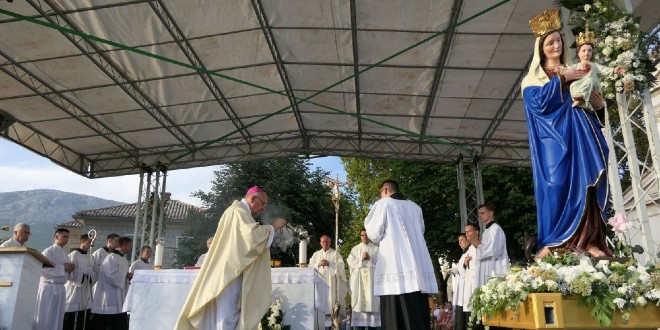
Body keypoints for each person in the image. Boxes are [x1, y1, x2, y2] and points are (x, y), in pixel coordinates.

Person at [522, 9, 611, 259]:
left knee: (589, 182)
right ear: (541, 48)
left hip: (581, 134)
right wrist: (562, 79)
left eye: (558, 40)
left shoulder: (578, 69)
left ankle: (589, 241)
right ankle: (553, 242)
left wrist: (600, 105)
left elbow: (591, 102)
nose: (556, 45)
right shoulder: (533, 78)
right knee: (556, 184)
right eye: (549, 42)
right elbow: (537, 104)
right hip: (552, 139)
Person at [175, 186, 286, 330]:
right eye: (263, 204)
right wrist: (272, 227)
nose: (263, 209)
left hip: (229, 270)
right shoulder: (238, 211)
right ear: (253, 199)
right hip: (230, 273)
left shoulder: (238, 211)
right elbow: (251, 237)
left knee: (226, 313)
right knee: (227, 314)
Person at [364, 179, 438, 330]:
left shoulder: (383, 204)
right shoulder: (416, 207)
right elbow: (421, 230)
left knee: (395, 315)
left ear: (385, 191)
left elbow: (373, 233)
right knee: (417, 313)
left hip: (395, 264)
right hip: (416, 267)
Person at [569, 26, 625, 109]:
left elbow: (604, 70)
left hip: (593, 86)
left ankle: (581, 98)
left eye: (589, 50)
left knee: (590, 80)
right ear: (578, 53)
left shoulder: (594, 65)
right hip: (581, 87)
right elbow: (567, 71)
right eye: (583, 51)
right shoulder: (576, 66)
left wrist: (614, 70)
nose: (586, 53)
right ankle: (579, 99)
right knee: (573, 85)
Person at [35, 228, 76, 330]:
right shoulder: (48, 251)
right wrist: (63, 268)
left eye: (68, 237)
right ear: (57, 237)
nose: (67, 239)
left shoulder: (65, 254)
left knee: (57, 317)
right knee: (46, 315)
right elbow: (42, 269)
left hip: (60, 288)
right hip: (49, 289)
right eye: (64, 237)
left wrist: (70, 269)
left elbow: (65, 270)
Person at [91, 236, 133, 330]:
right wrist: (125, 275)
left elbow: (121, 276)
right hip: (110, 296)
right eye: (130, 245)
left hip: (119, 296)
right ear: (123, 245)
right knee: (108, 323)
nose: (131, 247)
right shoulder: (111, 257)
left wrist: (127, 276)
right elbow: (110, 276)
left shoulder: (123, 259)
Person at [309, 235, 349, 329]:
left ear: (330, 243)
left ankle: (333, 323)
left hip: (331, 284)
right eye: (323, 241)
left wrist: (330, 264)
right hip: (319, 283)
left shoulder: (335, 254)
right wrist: (318, 264)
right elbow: (310, 266)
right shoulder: (316, 254)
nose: (325, 243)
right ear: (320, 243)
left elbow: (341, 266)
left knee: (331, 304)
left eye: (327, 241)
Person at [347, 229, 380, 330]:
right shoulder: (355, 249)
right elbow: (350, 261)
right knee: (360, 303)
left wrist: (371, 258)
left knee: (372, 301)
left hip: (372, 281)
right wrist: (361, 258)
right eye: (362, 235)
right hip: (359, 280)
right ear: (360, 236)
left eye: (366, 235)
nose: (364, 237)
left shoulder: (376, 249)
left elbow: (382, 263)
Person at [471, 204, 508, 288]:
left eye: (482, 213)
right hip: (486, 268)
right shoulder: (487, 231)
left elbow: (492, 250)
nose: (480, 215)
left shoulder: (495, 229)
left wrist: (477, 243)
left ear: (491, 213)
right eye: (479, 214)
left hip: (494, 269)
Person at [64, 234, 94, 330]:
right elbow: (70, 270)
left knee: (83, 314)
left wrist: (91, 274)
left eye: (92, 242)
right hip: (75, 288)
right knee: (71, 313)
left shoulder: (91, 257)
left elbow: (94, 272)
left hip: (86, 288)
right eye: (89, 241)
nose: (91, 244)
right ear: (82, 242)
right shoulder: (74, 254)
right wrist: (83, 272)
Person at [462, 224, 480, 330]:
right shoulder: (470, 248)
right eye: (466, 232)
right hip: (470, 283)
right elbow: (464, 265)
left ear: (477, 232)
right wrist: (465, 262)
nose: (467, 234)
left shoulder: (482, 244)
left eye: (469, 231)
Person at [451, 233, 470, 330]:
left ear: (467, 240)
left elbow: (465, 271)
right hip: (460, 290)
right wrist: (455, 270)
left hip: (466, 290)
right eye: (459, 241)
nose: (459, 243)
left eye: (461, 240)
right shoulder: (463, 254)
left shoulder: (471, 251)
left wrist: (461, 268)